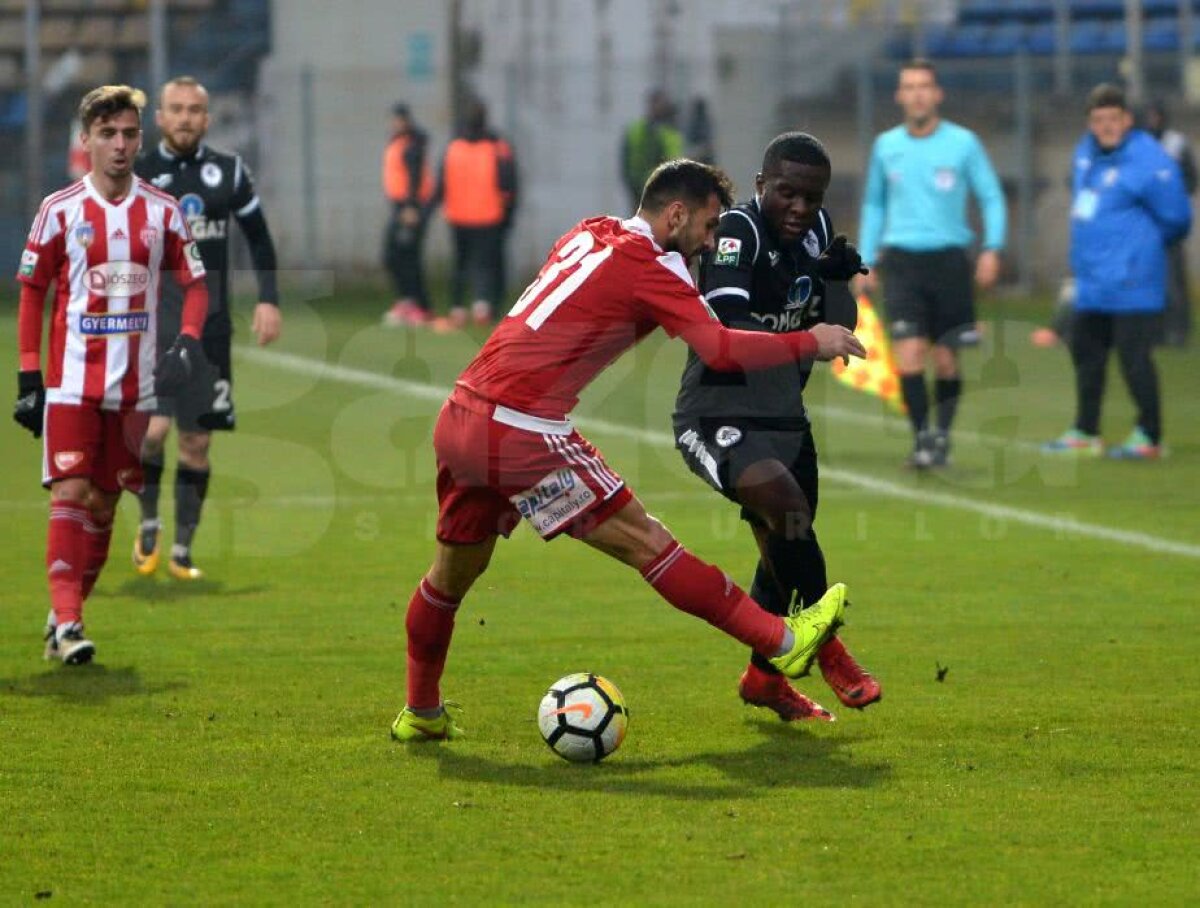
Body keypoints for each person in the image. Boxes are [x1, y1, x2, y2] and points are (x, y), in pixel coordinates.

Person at [390, 159, 868, 742]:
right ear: (676, 214)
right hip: (522, 430)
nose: (713, 241)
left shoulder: (588, 231)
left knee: (448, 578)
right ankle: (785, 643)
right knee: (650, 544)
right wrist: (808, 340)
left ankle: (421, 712)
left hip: (462, 415)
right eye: (710, 226)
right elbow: (718, 348)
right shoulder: (656, 264)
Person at [674, 133, 880, 722]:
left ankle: (763, 680)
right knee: (787, 511)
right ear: (762, 185)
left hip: (784, 416)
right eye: (786, 192)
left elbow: (840, 335)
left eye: (810, 197)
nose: (798, 207)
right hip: (716, 414)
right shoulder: (739, 233)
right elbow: (731, 334)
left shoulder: (815, 234)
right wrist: (807, 337)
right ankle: (830, 648)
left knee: (783, 545)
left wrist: (838, 283)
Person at [13, 84, 209, 663]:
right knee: (70, 492)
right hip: (71, 385)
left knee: (102, 507)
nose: (119, 145)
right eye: (107, 134)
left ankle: (62, 615)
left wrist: (188, 343)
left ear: (139, 140)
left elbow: (195, 284)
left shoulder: (163, 211)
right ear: (87, 141)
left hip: (135, 391)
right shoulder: (59, 210)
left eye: (128, 134)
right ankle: (71, 624)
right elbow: (31, 293)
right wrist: (30, 381)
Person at [131, 75, 281, 580]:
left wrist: (268, 300)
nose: (186, 118)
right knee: (152, 433)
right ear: (160, 118)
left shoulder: (228, 172)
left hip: (210, 330)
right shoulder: (139, 174)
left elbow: (259, 239)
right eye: (176, 109)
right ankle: (149, 520)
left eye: (195, 109)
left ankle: (182, 551)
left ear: (207, 118)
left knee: (197, 444)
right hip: (153, 327)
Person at [857, 58, 1007, 469]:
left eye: (924, 86)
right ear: (900, 96)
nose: (918, 93)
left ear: (937, 94)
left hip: (949, 262)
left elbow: (991, 196)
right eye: (910, 86)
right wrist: (865, 261)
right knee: (909, 354)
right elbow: (874, 204)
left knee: (945, 358)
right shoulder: (886, 146)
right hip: (902, 262)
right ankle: (923, 439)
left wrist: (993, 248)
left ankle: (941, 436)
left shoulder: (963, 144)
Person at [1042, 84, 1191, 460]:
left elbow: (1177, 217)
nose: (1106, 127)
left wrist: (1138, 250)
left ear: (1126, 120)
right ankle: (1086, 430)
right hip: (1092, 280)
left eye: (1113, 119)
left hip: (1133, 281)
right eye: (1098, 120)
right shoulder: (1085, 154)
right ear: (1090, 123)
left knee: (1134, 358)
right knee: (1086, 356)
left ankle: (1150, 435)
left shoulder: (1149, 159)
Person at [431, 98, 517, 331]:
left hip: (458, 216)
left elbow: (441, 183)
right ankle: (483, 306)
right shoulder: (498, 147)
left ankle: (457, 308)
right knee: (486, 264)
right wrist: (508, 214)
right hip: (489, 215)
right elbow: (509, 184)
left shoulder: (454, 147)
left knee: (460, 264)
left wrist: (431, 209)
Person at [1143, 100, 1196, 348]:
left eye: (1157, 116)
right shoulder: (1140, 144)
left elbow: (1192, 180)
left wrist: (1171, 196)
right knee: (1149, 279)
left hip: (1170, 221)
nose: (1153, 121)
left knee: (1174, 279)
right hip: (1145, 223)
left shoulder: (1176, 143)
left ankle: (1179, 330)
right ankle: (1155, 332)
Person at [380, 102, 435, 328]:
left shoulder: (411, 145)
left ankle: (418, 305)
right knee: (394, 255)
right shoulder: (399, 142)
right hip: (399, 206)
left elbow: (414, 177)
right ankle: (408, 301)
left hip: (409, 207)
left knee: (405, 256)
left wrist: (411, 206)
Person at [621, 88, 684, 210]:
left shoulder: (669, 131)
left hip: (662, 189)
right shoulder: (641, 130)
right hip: (642, 188)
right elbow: (626, 161)